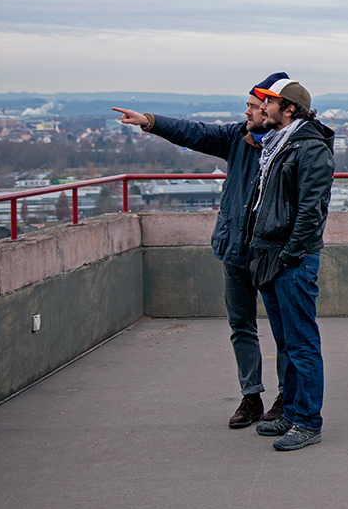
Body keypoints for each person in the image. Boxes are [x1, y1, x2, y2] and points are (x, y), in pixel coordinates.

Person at [112, 72, 289, 429]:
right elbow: (194, 133)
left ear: (273, 109)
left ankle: (286, 397)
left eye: (254, 107)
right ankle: (251, 396)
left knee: (284, 330)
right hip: (235, 248)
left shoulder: (289, 145)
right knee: (242, 325)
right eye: (248, 106)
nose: (248, 112)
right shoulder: (236, 140)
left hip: (270, 253)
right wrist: (150, 122)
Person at [248, 78, 335, 451]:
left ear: (289, 109)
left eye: (269, 102)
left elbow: (310, 212)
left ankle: (308, 422)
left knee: (301, 343)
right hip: (270, 253)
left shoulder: (309, 149)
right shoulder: (275, 145)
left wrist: (288, 256)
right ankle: (292, 412)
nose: (261, 106)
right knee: (286, 343)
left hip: (291, 259)